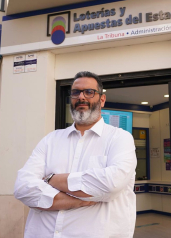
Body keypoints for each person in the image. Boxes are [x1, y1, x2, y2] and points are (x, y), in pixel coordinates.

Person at [14, 71, 137, 238]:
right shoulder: (51, 140)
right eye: (75, 92)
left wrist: (51, 179)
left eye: (89, 92)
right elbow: (23, 187)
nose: (81, 97)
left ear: (102, 99)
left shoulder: (120, 138)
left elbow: (111, 184)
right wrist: (79, 200)